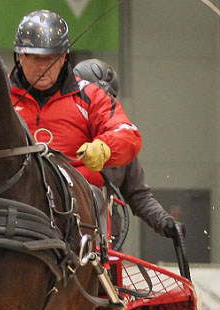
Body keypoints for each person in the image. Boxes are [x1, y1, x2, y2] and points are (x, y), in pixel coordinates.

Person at [9, 10, 142, 188]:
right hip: (12, 195)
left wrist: (104, 148)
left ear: (63, 58)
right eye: (35, 58)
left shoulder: (89, 96)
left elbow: (128, 133)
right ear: (20, 57)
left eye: (49, 59)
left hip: (77, 199)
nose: (42, 67)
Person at [73, 58, 182, 238]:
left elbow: (138, 194)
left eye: (107, 98)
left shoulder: (121, 141)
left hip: (106, 239)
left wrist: (165, 222)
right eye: (94, 96)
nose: (100, 104)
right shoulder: (63, 131)